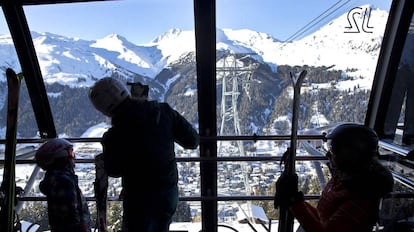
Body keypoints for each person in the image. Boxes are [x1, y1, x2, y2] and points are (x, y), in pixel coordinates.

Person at [88, 77, 200, 232]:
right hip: (167, 193)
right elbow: (192, 141)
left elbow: (114, 170)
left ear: (105, 110)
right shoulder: (163, 112)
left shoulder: (113, 136)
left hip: (138, 198)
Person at [274, 123, 394, 232]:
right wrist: (296, 200)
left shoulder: (362, 197)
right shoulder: (343, 180)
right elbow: (323, 218)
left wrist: (295, 203)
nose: (328, 154)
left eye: (334, 150)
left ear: (351, 155)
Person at [35, 138, 92, 232]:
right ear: (62, 156)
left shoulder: (54, 177)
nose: (74, 157)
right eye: (71, 153)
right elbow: (70, 214)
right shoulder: (63, 181)